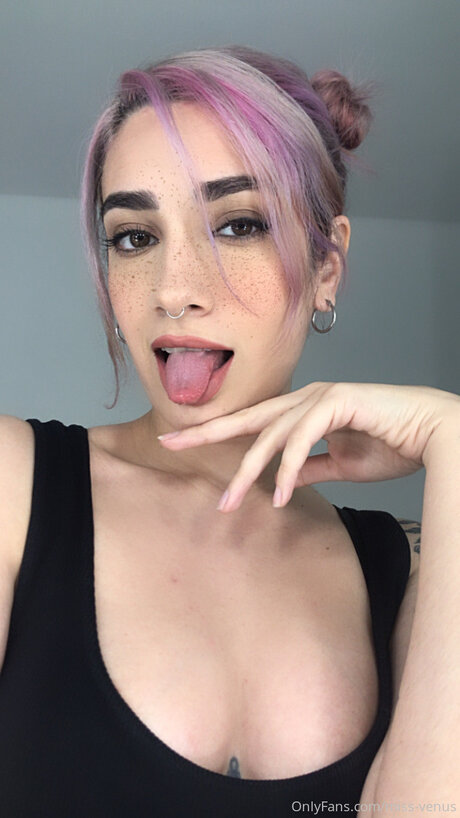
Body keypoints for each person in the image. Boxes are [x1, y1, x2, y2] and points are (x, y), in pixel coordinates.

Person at [0, 45, 458, 817]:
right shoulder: (13, 487)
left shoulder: (409, 565)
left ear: (327, 268)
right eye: (134, 237)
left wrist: (455, 442)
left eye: (239, 224)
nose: (174, 289)